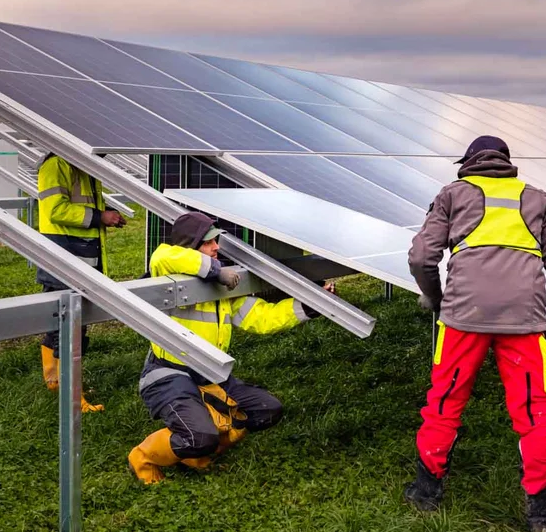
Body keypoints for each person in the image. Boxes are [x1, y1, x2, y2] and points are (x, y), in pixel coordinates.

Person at [406, 135, 546, 532]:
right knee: (535, 410)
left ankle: (426, 492)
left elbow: (420, 257)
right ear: (505, 162)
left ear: (469, 162)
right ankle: (541, 517)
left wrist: (435, 297)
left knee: (445, 400)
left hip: (464, 318)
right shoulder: (541, 199)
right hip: (525, 321)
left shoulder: (452, 194)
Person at [128, 211, 330, 484]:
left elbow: (260, 317)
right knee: (199, 435)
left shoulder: (222, 287)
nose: (216, 248)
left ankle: (198, 453)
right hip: (169, 374)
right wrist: (214, 270)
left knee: (265, 410)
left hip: (211, 375)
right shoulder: (167, 271)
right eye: (208, 242)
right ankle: (143, 457)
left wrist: (305, 308)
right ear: (190, 246)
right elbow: (164, 254)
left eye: (216, 241)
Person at [36, 153, 126, 413]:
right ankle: (73, 396)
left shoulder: (80, 164)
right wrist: (101, 217)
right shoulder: (57, 165)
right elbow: (56, 210)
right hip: (63, 259)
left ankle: (55, 381)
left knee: (63, 325)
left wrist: (105, 215)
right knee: (70, 329)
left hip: (79, 258)